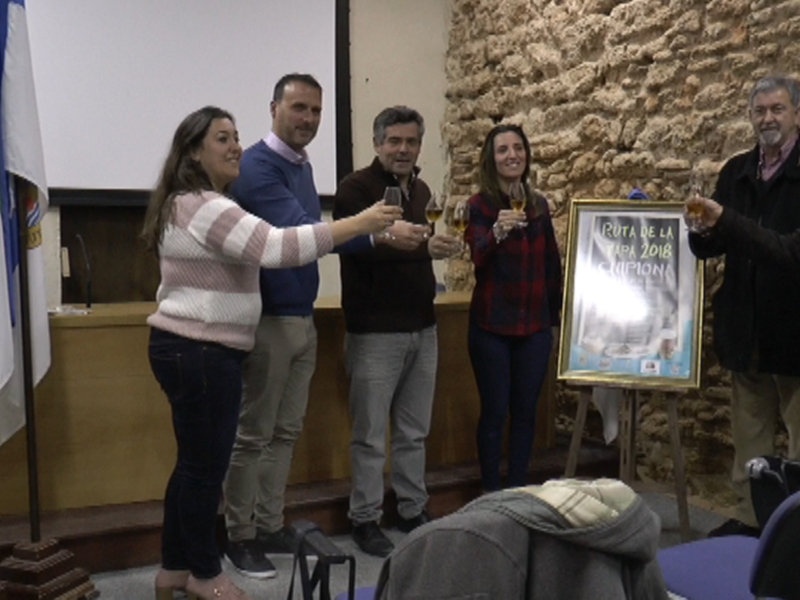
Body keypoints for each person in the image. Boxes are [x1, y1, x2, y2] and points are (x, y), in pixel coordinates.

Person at [142, 106, 399, 600]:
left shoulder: (184, 202)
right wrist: (359, 224)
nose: (236, 146)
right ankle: (203, 574)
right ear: (193, 152)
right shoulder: (207, 206)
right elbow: (277, 248)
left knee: (192, 465)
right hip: (202, 350)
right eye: (222, 138)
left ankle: (174, 568)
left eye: (237, 136)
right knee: (204, 471)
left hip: (185, 347)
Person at [221, 75, 420, 577]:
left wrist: (379, 237)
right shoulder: (257, 167)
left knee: (285, 432)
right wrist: (372, 225)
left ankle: (269, 524)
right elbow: (302, 233)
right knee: (254, 434)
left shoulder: (301, 164)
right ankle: (239, 535)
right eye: (299, 108)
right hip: (267, 318)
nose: (308, 119)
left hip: (300, 316)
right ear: (273, 108)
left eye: (315, 110)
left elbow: (321, 239)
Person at [333, 106, 461, 557]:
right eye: (394, 141)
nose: (403, 149)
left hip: (422, 327)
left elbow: (418, 246)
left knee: (413, 430)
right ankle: (364, 519)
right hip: (374, 331)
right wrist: (418, 245)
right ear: (377, 144)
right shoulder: (354, 189)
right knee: (370, 436)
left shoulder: (421, 190)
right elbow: (347, 246)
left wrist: (436, 246)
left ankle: (411, 508)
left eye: (411, 142)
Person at [685, 75, 800, 538]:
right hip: (747, 332)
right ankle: (753, 528)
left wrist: (726, 221)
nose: (767, 118)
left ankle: (792, 539)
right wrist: (700, 233)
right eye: (759, 111)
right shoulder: (736, 171)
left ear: (796, 115)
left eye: (777, 109)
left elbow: (790, 252)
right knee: (749, 445)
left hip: (793, 333)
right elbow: (712, 246)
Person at [464, 124, 563, 493]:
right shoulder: (479, 206)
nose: (512, 155)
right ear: (491, 159)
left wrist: (554, 321)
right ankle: (491, 493)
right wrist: (497, 232)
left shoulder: (538, 205)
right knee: (494, 412)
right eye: (503, 149)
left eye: (518, 148)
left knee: (526, 413)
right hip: (492, 327)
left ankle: (518, 489)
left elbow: (551, 265)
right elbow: (477, 256)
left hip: (534, 328)